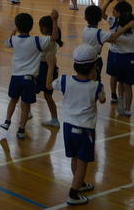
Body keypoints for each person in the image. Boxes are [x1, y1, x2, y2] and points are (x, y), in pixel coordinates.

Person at [47, 44, 106, 206]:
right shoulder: (96, 86)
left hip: (68, 127)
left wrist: (51, 66)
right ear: (94, 66)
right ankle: (73, 194)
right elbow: (102, 100)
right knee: (83, 162)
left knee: (75, 157)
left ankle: (79, 183)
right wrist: (95, 78)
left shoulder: (64, 81)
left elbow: (48, 85)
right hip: (86, 130)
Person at [1, 11, 61, 139]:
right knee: (29, 99)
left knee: (18, 99)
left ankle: (9, 120)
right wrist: (55, 20)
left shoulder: (20, 40)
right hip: (35, 72)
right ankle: (23, 124)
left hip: (35, 71)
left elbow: (8, 42)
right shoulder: (38, 40)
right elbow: (54, 37)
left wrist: (14, 31)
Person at [105, 13, 134, 117]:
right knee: (128, 86)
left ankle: (120, 103)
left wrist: (126, 26)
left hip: (119, 60)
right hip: (132, 61)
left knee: (120, 83)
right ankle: (127, 109)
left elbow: (111, 38)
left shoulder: (118, 37)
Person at [36, 14, 64, 128]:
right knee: (48, 96)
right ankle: (54, 119)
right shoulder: (54, 41)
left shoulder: (47, 41)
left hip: (43, 69)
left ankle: (27, 111)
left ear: (44, 28)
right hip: (51, 69)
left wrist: (55, 20)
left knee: (29, 91)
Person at [82, 4, 111, 82]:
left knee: (86, 79)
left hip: (84, 58)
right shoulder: (100, 33)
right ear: (100, 19)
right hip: (95, 59)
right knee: (96, 81)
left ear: (85, 18)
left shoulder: (84, 29)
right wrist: (126, 26)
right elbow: (113, 38)